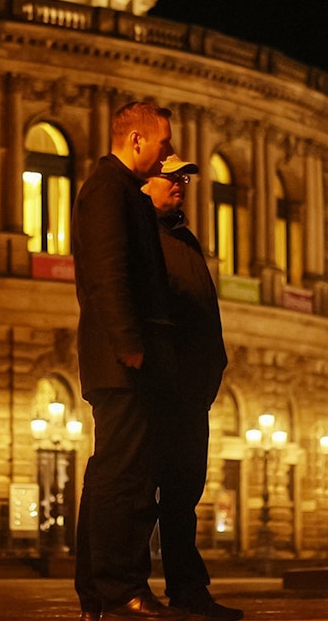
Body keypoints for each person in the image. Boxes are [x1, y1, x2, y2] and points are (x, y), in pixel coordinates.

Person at [71, 102, 185, 621]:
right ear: (136, 140)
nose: (167, 155)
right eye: (162, 144)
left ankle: (99, 591)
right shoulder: (108, 189)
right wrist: (130, 344)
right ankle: (121, 590)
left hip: (123, 356)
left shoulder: (118, 190)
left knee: (109, 475)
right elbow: (107, 272)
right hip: (125, 359)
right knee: (127, 478)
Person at [141, 157, 241, 621]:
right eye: (171, 176)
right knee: (141, 489)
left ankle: (188, 587)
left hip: (190, 386)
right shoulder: (138, 234)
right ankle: (130, 586)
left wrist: (211, 369)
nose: (181, 184)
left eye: (184, 177)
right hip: (157, 383)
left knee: (184, 492)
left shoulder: (183, 236)